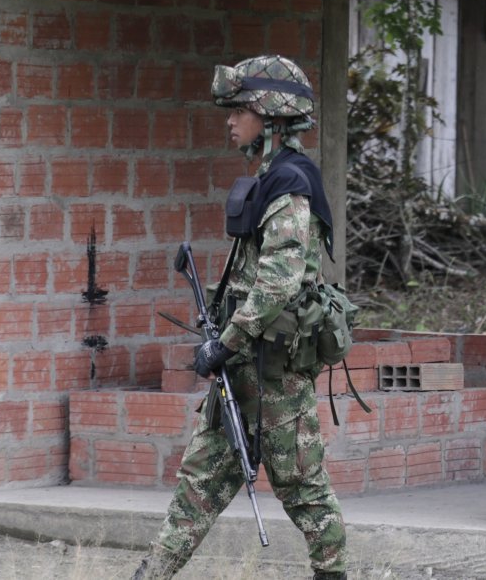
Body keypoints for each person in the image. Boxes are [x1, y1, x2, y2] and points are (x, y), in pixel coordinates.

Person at [132, 55, 347, 580]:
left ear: (271, 117)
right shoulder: (268, 177)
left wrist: (225, 342)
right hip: (243, 370)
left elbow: (280, 278)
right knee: (198, 484)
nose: (230, 121)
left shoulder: (291, 183)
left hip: (275, 374)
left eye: (240, 110)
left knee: (305, 494)